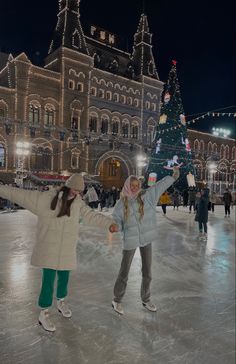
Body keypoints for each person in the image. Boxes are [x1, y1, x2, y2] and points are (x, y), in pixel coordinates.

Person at [0, 174, 118, 332]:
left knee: (64, 277)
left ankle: (61, 301)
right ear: (67, 186)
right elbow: (19, 194)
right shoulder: (46, 198)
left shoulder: (78, 204)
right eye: (74, 189)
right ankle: (44, 312)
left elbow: (92, 216)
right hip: (49, 248)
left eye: (79, 191)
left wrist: (109, 223)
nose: (76, 193)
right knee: (48, 281)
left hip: (66, 248)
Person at [111, 167, 180, 315]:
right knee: (124, 271)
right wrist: (116, 226)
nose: (135, 188)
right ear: (127, 186)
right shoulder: (121, 204)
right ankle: (117, 299)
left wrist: (173, 177)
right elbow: (116, 219)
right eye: (132, 185)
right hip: (130, 240)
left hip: (146, 239)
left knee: (147, 271)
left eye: (137, 185)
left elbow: (159, 185)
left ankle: (146, 298)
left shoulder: (147, 196)